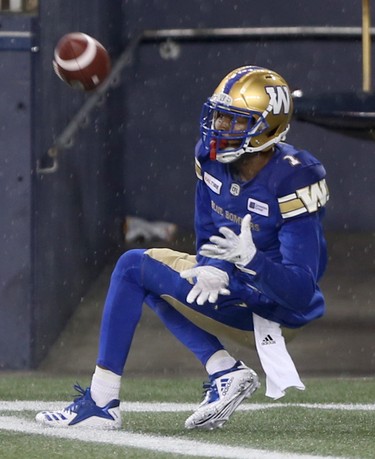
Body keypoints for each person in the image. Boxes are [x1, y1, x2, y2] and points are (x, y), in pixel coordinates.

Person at [36, 66, 329, 430]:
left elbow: (302, 292)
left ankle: (102, 402)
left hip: (278, 308)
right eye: (219, 115)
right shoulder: (211, 158)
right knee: (148, 270)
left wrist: (252, 261)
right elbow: (207, 233)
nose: (220, 127)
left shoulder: (295, 175)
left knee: (133, 267)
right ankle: (223, 371)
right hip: (235, 287)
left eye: (235, 121)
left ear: (267, 128)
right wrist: (213, 266)